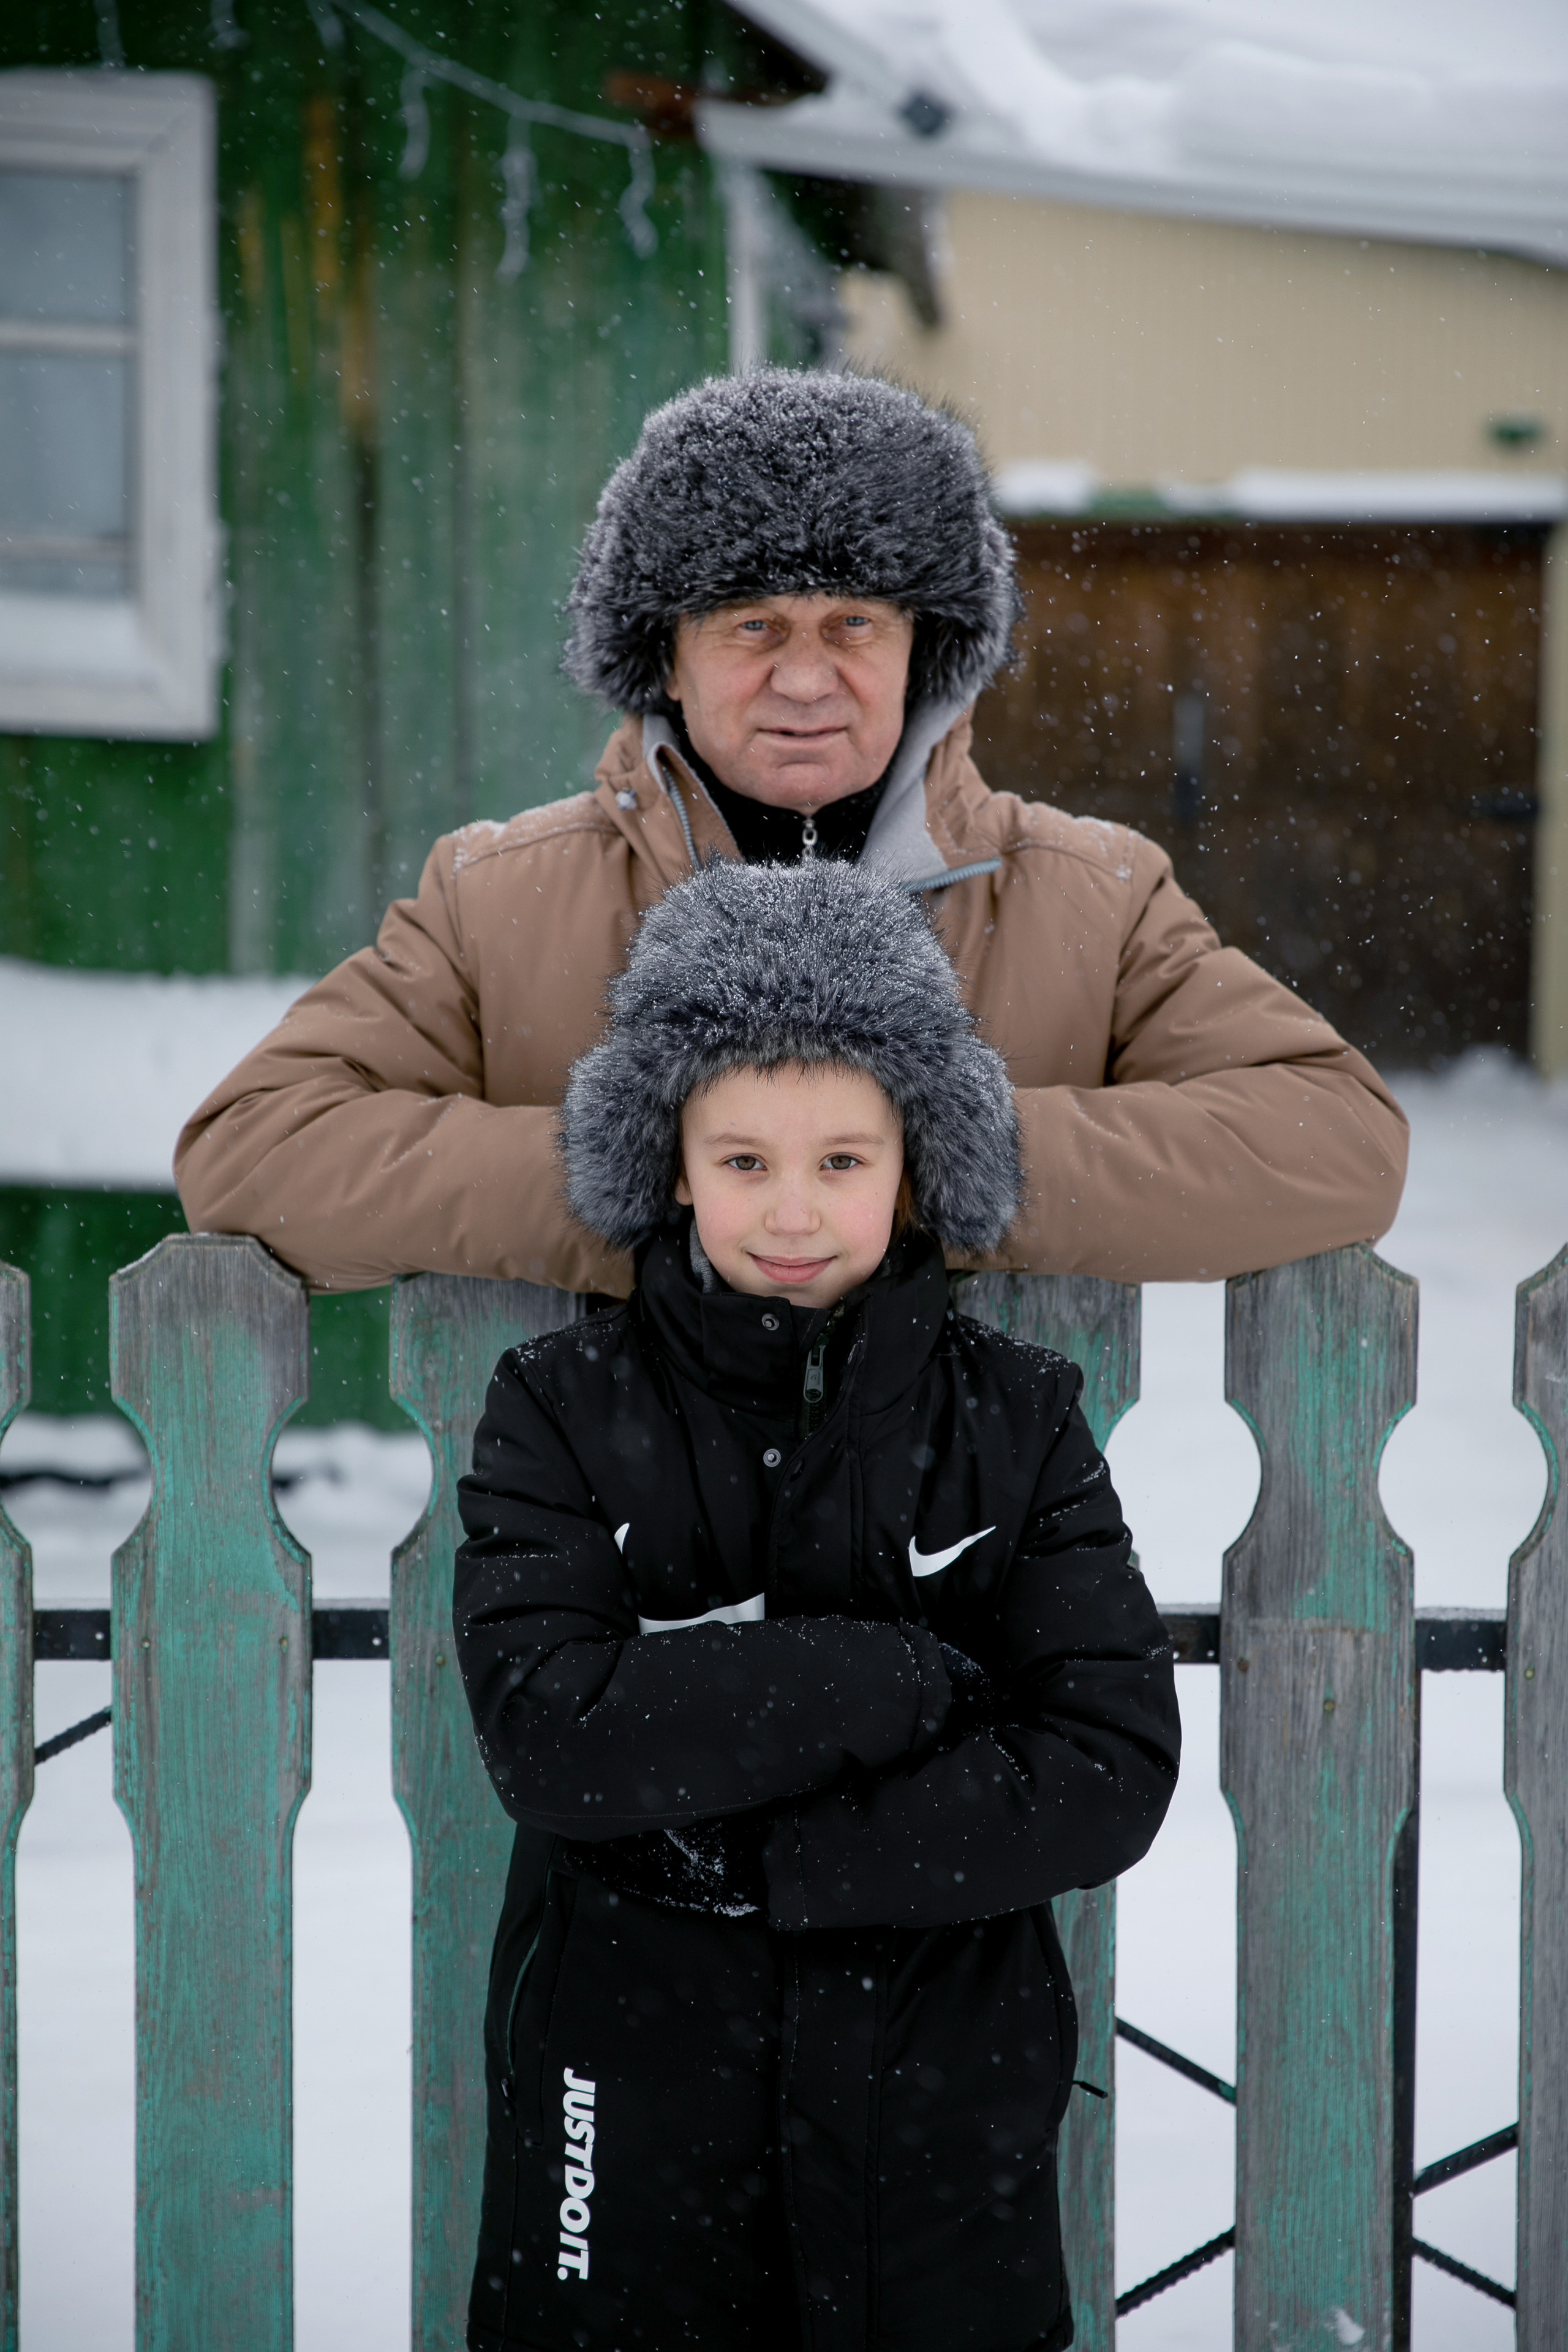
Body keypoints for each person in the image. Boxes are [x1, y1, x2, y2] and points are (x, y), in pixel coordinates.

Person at [175, 369, 1408, 1297]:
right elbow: (253, 1152)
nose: (806, 680)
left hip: (966, 1593)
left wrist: (918, 1158)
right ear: (666, 650)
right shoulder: (497, 899)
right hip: (608, 1594)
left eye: (851, 626)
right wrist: (654, 1170)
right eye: (751, 627)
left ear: (926, 642)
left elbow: (1336, 1145)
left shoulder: (1091, 898)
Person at [453, 856, 1180, 2352]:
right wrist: (897, 1684)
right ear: (670, 1162)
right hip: (631, 2078)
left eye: (841, 1161)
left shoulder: (1018, 1422)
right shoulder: (558, 1411)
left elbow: (1103, 1767)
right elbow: (551, 1737)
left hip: (940, 2089)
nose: (792, 1212)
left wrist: (764, 1857)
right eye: (743, 1162)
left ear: (914, 1160)